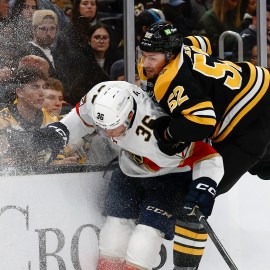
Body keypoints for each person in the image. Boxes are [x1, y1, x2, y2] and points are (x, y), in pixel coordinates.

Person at [48, 80, 223, 270]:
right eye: (102, 128)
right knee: (113, 237)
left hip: (170, 177)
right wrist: (55, 133)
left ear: (129, 116)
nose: (107, 134)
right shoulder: (99, 96)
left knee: (144, 241)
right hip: (129, 171)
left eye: (112, 128)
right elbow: (81, 120)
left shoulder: (158, 131)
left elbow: (208, 156)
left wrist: (205, 186)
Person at [138, 21, 270, 269]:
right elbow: (203, 42)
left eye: (152, 57)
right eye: (143, 55)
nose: (145, 64)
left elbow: (202, 123)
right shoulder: (184, 45)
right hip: (261, 89)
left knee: (193, 199)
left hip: (250, 125)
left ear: (169, 55)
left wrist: (167, 133)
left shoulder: (174, 80)